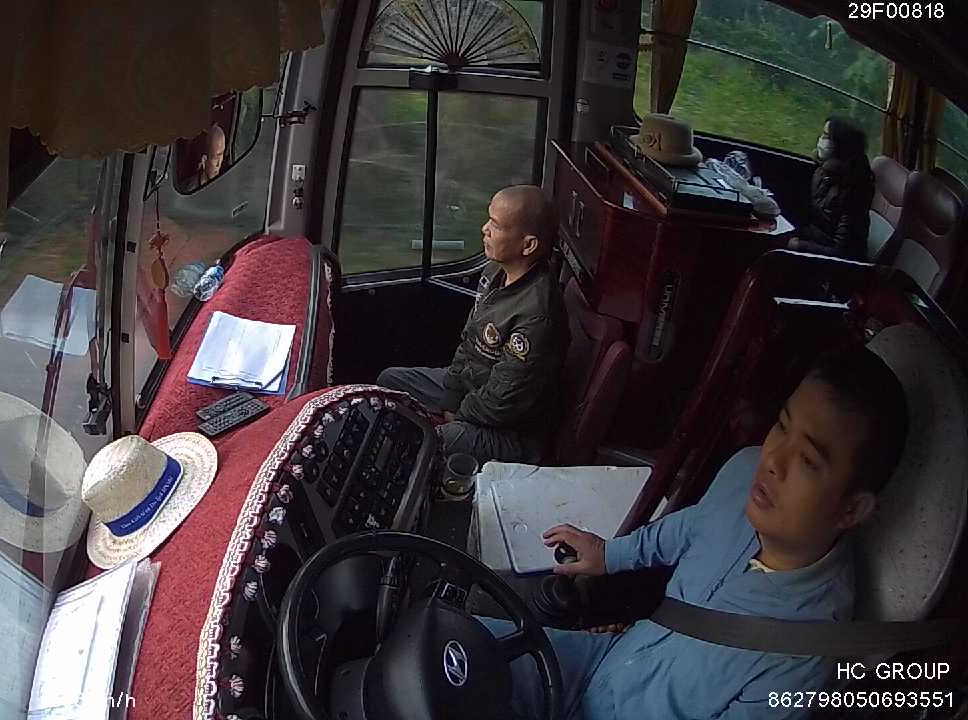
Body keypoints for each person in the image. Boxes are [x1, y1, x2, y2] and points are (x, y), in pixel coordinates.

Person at [490, 345, 908, 719]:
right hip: (597, 661)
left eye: (808, 461)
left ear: (851, 510)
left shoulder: (800, 662)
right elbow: (688, 527)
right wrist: (610, 554)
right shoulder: (745, 474)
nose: (773, 461)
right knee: (460, 649)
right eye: (782, 426)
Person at [377, 185, 569, 465]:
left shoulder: (537, 315)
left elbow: (502, 402)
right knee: (389, 383)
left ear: (528, 245)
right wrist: (451, 396)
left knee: (432, 440)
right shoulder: (495, 272)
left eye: (496, 225)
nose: (484, 229)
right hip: (475, 386)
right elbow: (469, 342)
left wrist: (457, 414)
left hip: (513, 432)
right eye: (489, 220)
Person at [789, 117, 875, 259]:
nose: (821, 140)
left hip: (833, 264)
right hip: (814, 239)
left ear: (841, 145)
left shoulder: (854, 191)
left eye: (827, 136)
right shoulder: (824, 171)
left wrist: (800, 246)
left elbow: (843, 252)